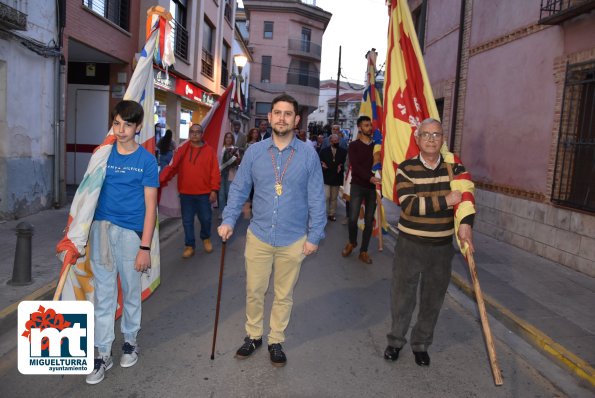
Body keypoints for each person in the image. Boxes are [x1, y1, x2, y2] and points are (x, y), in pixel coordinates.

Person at [218, 94, 326, 367]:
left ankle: (276, 339)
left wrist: (315, 235)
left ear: (296, 120)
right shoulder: (254, 152)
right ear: (270, 117)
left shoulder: (308, 154)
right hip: (259, 236)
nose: (281, 118)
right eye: (277, 113)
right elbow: (239, 188)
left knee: (283, 294)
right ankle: (254, 335)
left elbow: (316, 197)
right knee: (254, 290)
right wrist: (229, 219)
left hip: (293, 238)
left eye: (287, 114)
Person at [384, 118, 474, 367]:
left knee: (432, 299)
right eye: (426, 135)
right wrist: (446, 200)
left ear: (443, 139)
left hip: (442, 248)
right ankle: (395, 342)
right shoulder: (406, 169)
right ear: (417, 139)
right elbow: (410, 205)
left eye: (436, 134)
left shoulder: (454, 168)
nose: (432, 139)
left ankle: (421, 344)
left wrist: (466, 223)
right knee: (403, 297)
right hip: (410, 245)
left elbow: (466, 194)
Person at [85, 100, 158, 385]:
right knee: (102, 295)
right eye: (116, 123)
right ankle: (103, 352)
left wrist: (145, 247)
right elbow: (86, 195)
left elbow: (150, 206)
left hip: (131, 235)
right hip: (101, 230)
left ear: (138, 127)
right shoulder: (102, 155)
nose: (121, 129)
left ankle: (130, 341)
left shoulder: (147, 160)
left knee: (130, 291)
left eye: (128, 124)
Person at [160, 124, 220, 258]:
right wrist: (158, 180)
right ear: (189, 134)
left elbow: (215, 172)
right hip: (186, 194)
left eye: (197, 132)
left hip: (204, 194)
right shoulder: (182, 150)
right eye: (192, 132)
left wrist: (214, 190)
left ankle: (205, 238)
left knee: (206, 218)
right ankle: (189, 245)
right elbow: (172, 167)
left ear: (202, 134)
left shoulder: (209, 151)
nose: (194, 134)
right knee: (187, 221)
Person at [341, 115, 378, 264]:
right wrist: (370, 177)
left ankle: (363, 251)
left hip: (372, 188)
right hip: (357, 185)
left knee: (369, 221)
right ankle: (352, 242)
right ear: (360, 128)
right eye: (366, 125)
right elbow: (355, 166)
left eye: (370, 125)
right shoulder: (354, 145)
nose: (369, 127)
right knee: (353, 218)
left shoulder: (377, 146)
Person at [318, 133, 347, 221]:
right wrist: (322, 164)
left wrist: (341, 166)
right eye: (334, 141)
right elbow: (319, 161)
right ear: (330, 142)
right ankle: (322, 213)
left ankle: (331, 214)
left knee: (334, 197)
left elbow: (345, 163)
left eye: (337, 141)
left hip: (337, 177)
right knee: (326, 196)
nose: (335, 142)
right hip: (326, 176)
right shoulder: (324, 151)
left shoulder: (343, 151)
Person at [219, 132, 241, 215]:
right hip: (220, 173)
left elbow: (237, 161)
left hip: (231, 173)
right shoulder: (220, 148)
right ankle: (221, 212)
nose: (228, 139)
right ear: (224, 138)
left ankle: (229, 212)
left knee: (228, 193)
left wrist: (235, 160)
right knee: (221, 194)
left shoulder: (235, 149)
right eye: (226, 137)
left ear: (232, 139)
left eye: (230, 137)